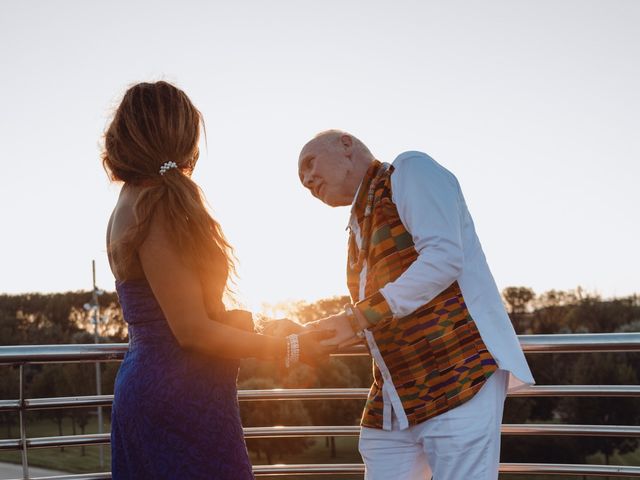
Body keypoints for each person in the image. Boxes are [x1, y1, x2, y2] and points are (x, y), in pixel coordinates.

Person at [103, 81, 329, 480]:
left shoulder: (130, 201)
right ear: (182, 135)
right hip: (181, 393)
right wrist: (285, 349)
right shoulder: (154, 207)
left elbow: (179, 309)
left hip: (150, 385)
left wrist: (259, 327)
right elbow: (190, 330)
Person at [298, 130, 535, 480]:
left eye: (310, 163)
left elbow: (443, 258)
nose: (307, 180)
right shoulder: (357, 227)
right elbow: (385, 312)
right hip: (394, 401)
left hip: (458, 376)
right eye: (303, 180)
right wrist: (333, 332)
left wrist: (356, 318)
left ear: (346, 145)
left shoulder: (409, 170)